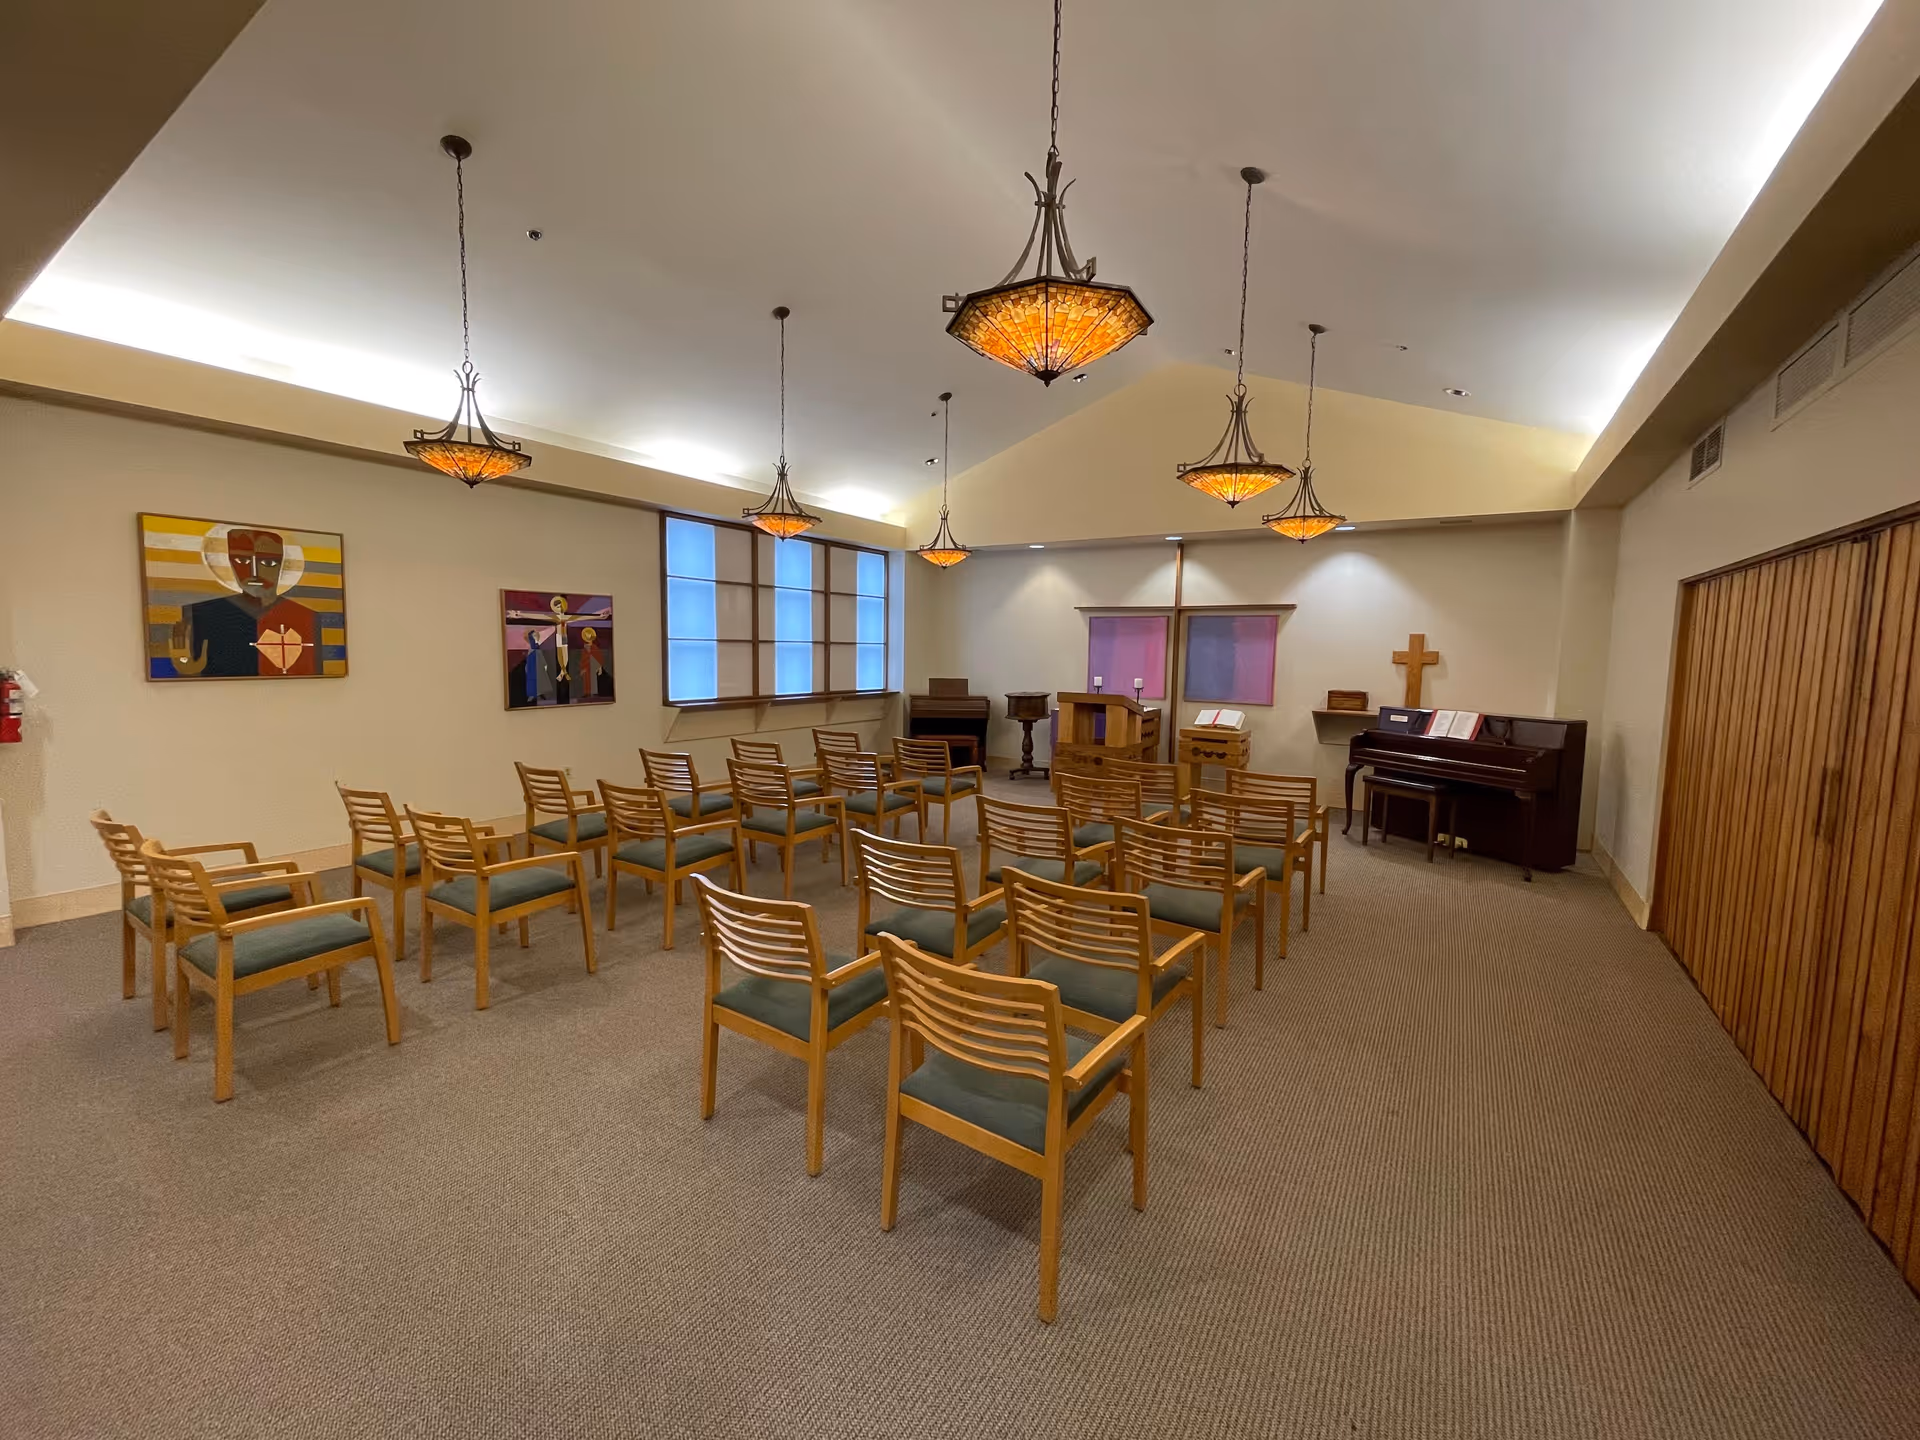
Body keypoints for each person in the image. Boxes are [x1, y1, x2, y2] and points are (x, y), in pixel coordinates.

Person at [169, 528, 317, 677]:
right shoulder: (201, 613)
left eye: (268, 562)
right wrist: (187, 671)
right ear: (230, 563)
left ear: (282, 565)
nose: (254, 572)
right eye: (242, 560)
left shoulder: (307, 618)